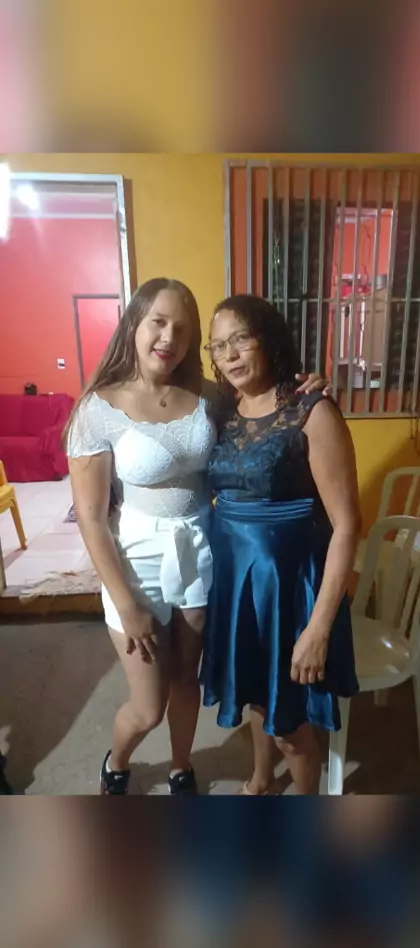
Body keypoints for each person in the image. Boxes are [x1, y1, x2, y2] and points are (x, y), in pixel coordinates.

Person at [65, 278, 325, 795]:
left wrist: (306, 389)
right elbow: (91, 517)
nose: (169, 337)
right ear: (134, 324)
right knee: (148, 705)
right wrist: (125, 602)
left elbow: (266, 408)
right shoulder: (98, 409)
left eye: (183, 328)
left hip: (203, 551)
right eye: (158, 322)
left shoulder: (210, 396)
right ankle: (117, 760)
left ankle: (181, 766)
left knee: (188, 678)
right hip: (134, 562)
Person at [201, 295, 360, 795]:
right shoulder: (222, 410)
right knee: (256, 695)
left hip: (291, 594)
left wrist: (319, 628)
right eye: (218, 345)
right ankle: (260, 781)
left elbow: (347, 526)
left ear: (267, 339)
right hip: (238, 589)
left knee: (290, 725)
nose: (229, 354)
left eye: (240, 339)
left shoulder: (312, 411)